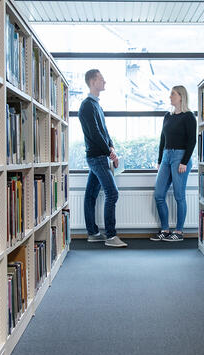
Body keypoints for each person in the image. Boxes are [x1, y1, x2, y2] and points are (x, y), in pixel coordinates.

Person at [78, 69, 127, 247]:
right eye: (101, 79)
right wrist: (109, 152)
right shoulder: (87, 106)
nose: (104, 81)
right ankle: (111, 236)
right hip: (97, 157)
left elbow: (105, 131)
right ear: (92, 81)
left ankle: (92, 233)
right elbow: (95, 134)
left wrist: (111, 146)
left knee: (91, 195)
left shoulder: (96, 105)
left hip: (99, 156)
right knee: (112, 193)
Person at [151, 85, 196, 242]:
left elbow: (192, 141)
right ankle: (165, 229)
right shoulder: (167, 116)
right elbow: (162, 140)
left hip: (180, 157)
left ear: (181, 97)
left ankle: (179, 231)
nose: (170, 97)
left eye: (173, 94)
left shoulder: (189, 116)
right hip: (166, 156)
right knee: (158, 195)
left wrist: (184, 161)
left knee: (179, 196)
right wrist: (159, 161)